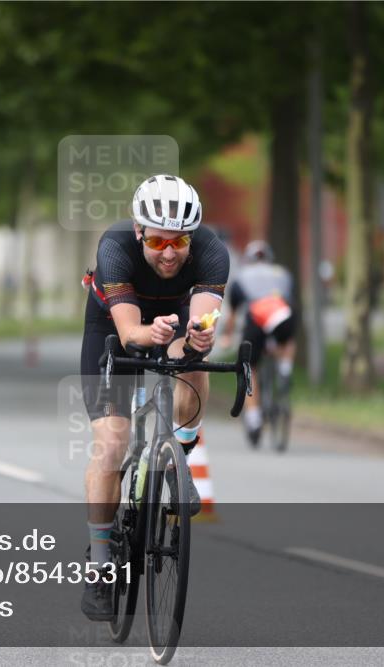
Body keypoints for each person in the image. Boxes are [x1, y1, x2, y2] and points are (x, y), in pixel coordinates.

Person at [79, 175, 229, 621]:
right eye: (158, 240)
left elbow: (201, 324)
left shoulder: (212, 252)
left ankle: (179, 456)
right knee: (112, 443)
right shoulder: (115, 248)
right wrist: (153, 332)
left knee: (194, 364)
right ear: (139, 231)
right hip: (112, 326)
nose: (168, 252)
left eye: (179, 241)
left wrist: (196, 339)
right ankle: (100, 566)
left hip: (175, 316)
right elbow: (130, 335)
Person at [220, 240, 297, 446]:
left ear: (248, 260)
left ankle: (254, 418)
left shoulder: (242, 276)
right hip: (282, 314)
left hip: (257, 318)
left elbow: (233, 315)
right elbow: (290, 299)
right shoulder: (283, 273)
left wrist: (227, 336)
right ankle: (285, 368)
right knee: (287, 340)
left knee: (250, 367)